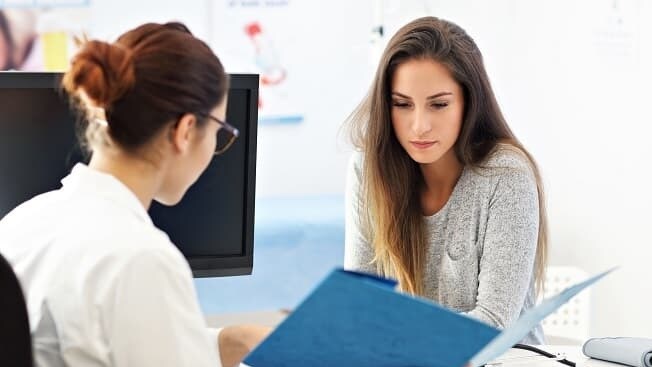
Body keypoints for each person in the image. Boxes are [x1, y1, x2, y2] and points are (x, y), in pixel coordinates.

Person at [0, 22, 269, 366]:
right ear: (185, 130)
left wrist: (226, 341)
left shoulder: (20, 223)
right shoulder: (143, 259)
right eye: (221, 129)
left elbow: (83, 342)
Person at [344, 16, 548, 344]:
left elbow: (492, 323)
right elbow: (360, 302)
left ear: (469, 102)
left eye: (439, 104)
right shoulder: (368, 169)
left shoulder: (506, 175)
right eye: (402, 105)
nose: (420, 125)